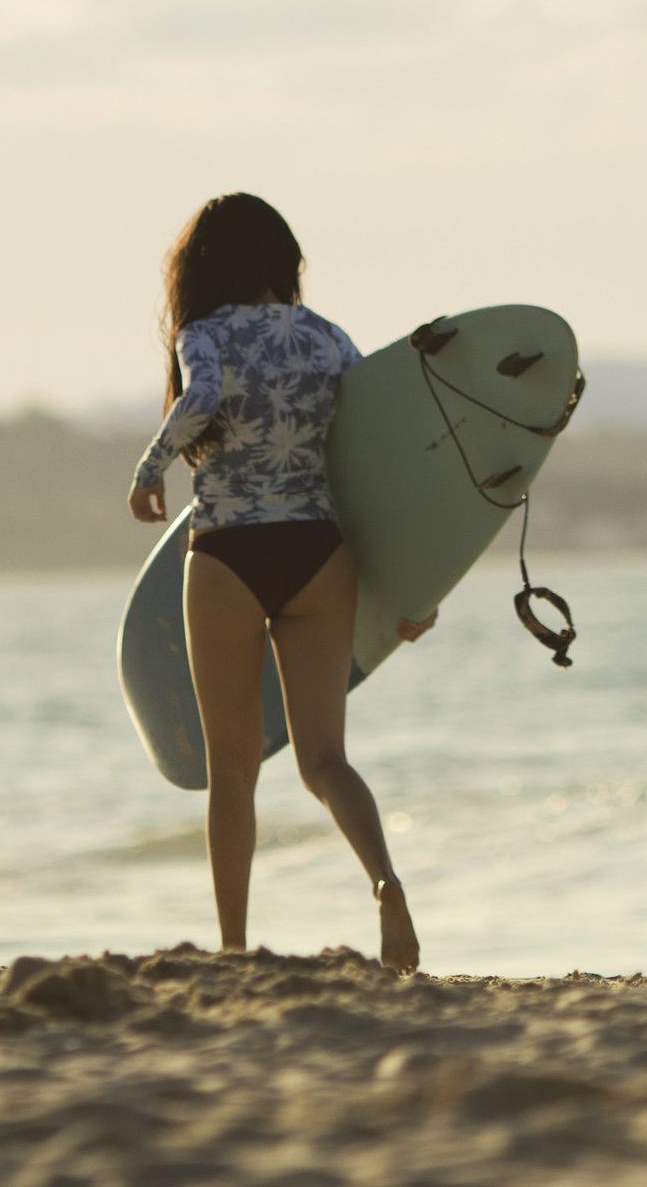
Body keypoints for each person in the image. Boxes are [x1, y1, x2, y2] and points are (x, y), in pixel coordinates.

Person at [127, 192, 431, 969]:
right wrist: (414, 584)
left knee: (232, 771)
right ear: (282, 263)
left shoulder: (204, 332)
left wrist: (149, 470)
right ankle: (387, 884)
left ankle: (232, 947)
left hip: (230, 549)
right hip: (319, 551)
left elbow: (198, 399)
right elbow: (375, 451)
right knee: (324, 758)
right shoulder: (329, 337)